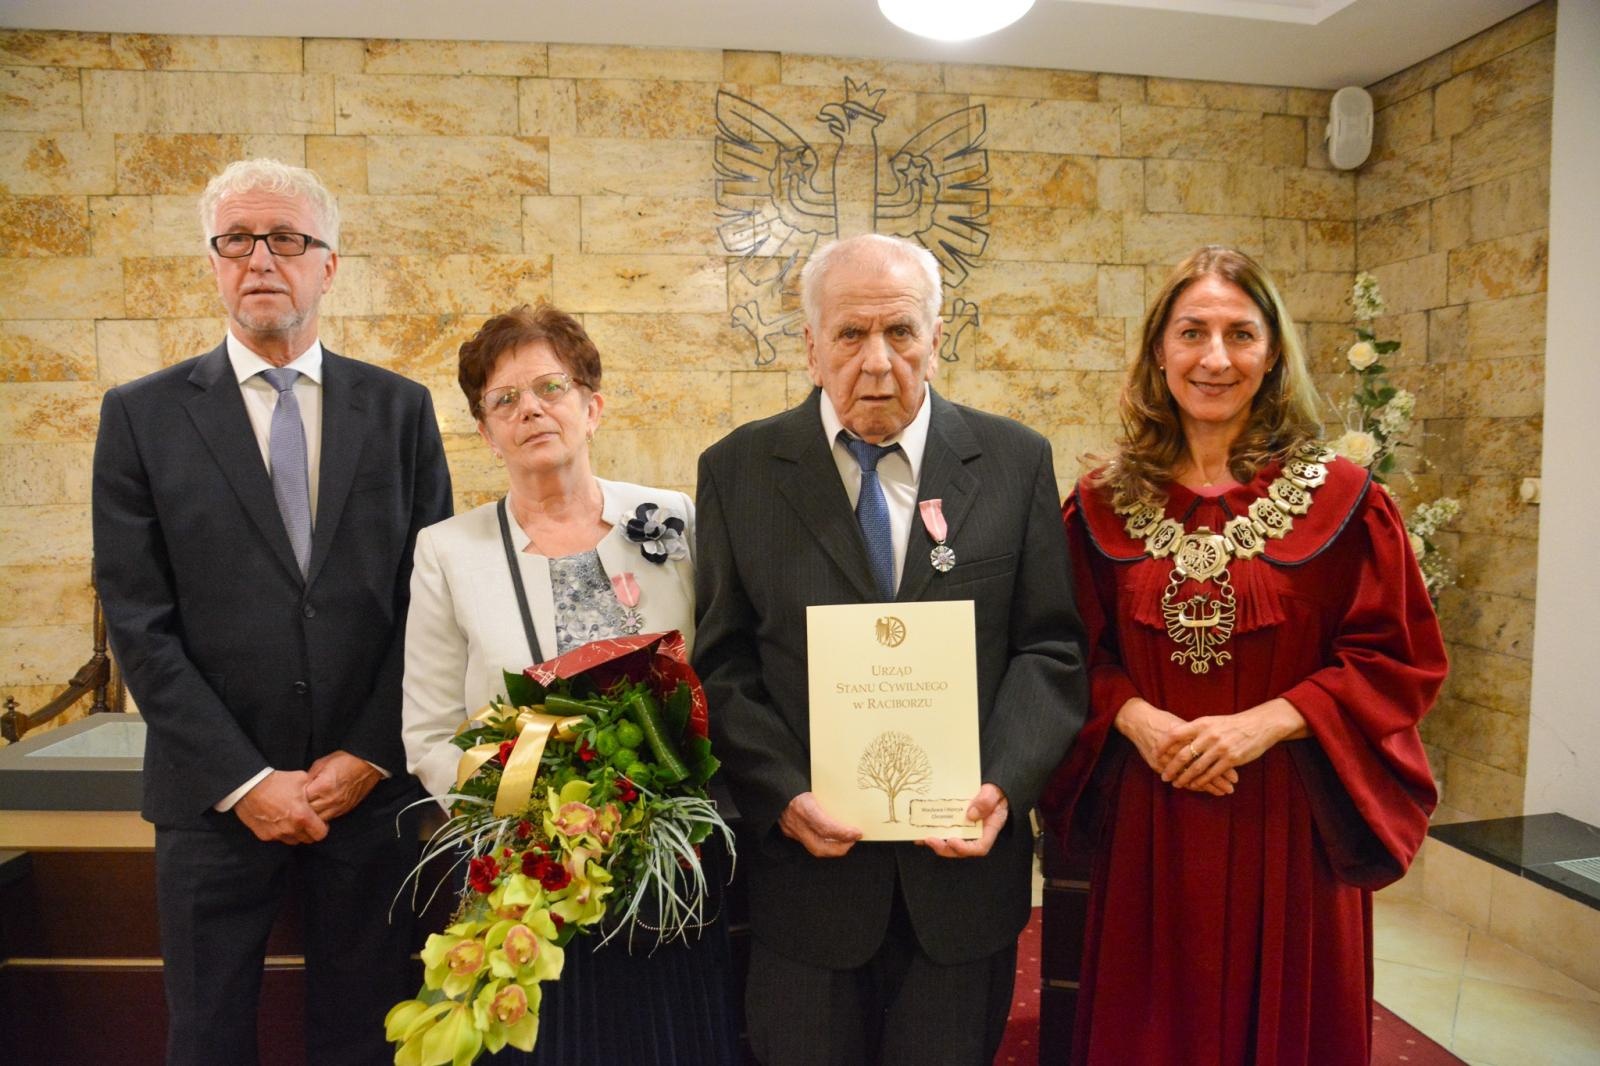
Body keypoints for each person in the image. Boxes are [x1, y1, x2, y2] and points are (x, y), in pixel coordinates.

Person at [1042, 245, 1448, 1065]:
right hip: (1150, 816)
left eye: (1241, 334)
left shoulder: (1347, 503)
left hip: (1289, 819)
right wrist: (1139, 719)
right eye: (1192, 332)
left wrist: (1264, 724)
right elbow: (1062, 651)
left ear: (1273, 354)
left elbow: (1395, 659)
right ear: (1160, 350)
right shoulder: (1096, 506)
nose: (1215, 358)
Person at [693, 233, 1087, 1066]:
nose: (877, 362)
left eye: (900, 332)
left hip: (961, 882)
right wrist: (784, 795)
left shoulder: (1015, 463)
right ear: (809, 346)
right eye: (849, 334)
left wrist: (1003, 786)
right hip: (809, 885)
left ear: (936, 340)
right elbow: (724, 665)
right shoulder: (738, 471)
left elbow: (1049, 649)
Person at [91, 158, 453, 1065]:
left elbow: (430, 602)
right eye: (236, 241)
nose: (260, 259)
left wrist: (372, 751)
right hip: (212, 798)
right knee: (207, 1035)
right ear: (213, 263)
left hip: (369, 796)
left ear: (327, 265)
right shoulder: (140, 417)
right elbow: (139, 620)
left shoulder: (401, 411)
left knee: (368, 1033)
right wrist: (247, 782)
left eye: (285, 239)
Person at [400, 303, 737, 1064]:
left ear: (592, 406)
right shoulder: (447, 552)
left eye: (550, 387)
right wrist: (524, 825)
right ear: (485, 433)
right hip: (530, 875)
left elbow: (720, 673)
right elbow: (427, 731)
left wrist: (660, 820)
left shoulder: (673, 519)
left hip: (668, 866)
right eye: (504, 400)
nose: (530, 410)